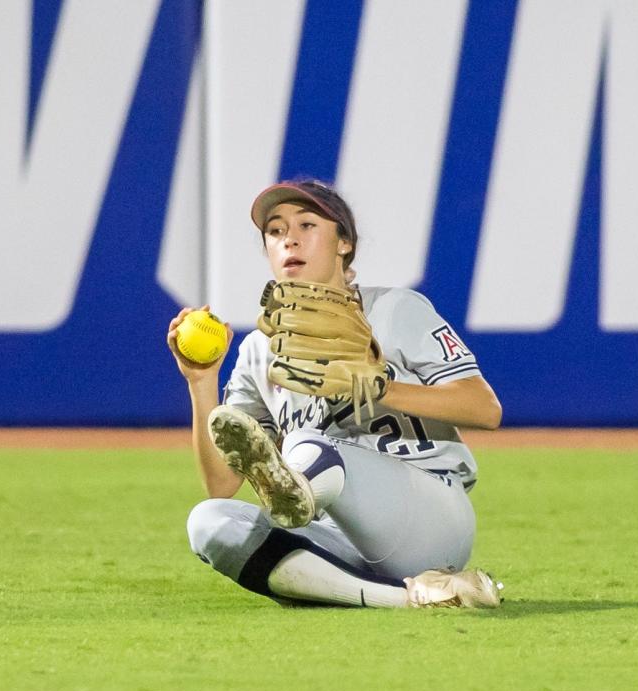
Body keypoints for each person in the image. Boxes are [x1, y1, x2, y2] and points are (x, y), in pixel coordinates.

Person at [166, 179, 504, 608]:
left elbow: (484, 408)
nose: (289, 238)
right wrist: (201, 382)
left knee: (308, 444)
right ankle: (415, 599)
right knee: (209, 521)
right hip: (334, 536)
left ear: (344, 243)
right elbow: (221, 483)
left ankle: (297, 489)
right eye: (275, 230)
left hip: (429, 518)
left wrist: (379, 388)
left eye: (307, 224)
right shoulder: (258, 350)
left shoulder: (394, 310)